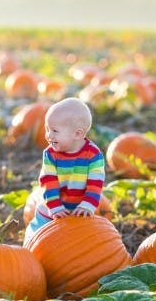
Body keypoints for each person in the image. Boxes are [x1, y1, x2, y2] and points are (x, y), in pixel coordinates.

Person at [23, 97, 105, 245]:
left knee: (80, 243)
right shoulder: (50, 154)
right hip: (53, 207)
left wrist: (87, 205)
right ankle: (29, 250)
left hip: (80, 209)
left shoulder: (93, 155)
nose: (49, 135)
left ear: (78, 134)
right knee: (38, 233)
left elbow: (95, 183)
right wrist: (54, 206)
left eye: (54, 131)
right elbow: (48, 182)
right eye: (47, 129)